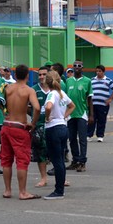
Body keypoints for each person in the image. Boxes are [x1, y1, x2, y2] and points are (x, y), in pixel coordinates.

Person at [0, 64, 41, 200]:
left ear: (15, 75)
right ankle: (22, 192)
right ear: (28, 75)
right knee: (22, 160)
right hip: (19, 127)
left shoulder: (7, 88)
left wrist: (6, 112)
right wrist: (33, 123)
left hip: (6, 125)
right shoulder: (28, 90)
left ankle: (7, 190)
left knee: (6, 159)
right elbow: (37, 108)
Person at [43, 70, 75, 200]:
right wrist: (63, 116)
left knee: (57, 161)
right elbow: (72, 106)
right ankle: (60, 187)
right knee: (60, 160)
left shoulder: (52, 94)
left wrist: (47, 117)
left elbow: (48, 107)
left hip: (54, 128)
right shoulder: (61, 93)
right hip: (63, 127)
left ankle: (58, 190)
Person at [65, 60, 93, 172]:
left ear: (82, 68)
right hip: (71, 115)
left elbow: (90, 99)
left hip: (82, 114)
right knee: (71, 139)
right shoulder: (68, 81)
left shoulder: (87, 81)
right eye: (75, 66)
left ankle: (82, 162)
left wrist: (91, 115)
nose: (77, 67)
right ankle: (75, 160)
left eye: (79, 66)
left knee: (82, 139)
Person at [88, 64, 113, 142]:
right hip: (93, 104)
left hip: (103, 105)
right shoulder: (92, 80)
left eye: (100, 71)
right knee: (92, 120)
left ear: (103, 72)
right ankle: (89, 135)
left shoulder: (108, 80)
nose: (98, 73)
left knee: (101, 120)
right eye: (97, 71)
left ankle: (100, 136)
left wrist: (110, 99)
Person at [31, 66, 51, 188]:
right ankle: (43, 178)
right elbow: (28, 107)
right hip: (39, 126)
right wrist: (34, 119)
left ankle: (61, 177)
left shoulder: (55, 89)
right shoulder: (33, 90)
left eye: (44, 74)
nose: (42, 77)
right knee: (40, 153)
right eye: (40, 75)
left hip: (52, 125)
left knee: (56, 152)